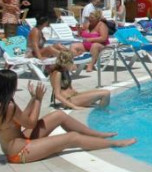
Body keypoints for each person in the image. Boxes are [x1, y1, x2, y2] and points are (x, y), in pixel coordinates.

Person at [0, 70, 135, 164]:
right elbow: (30, 124)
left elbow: (21, 118)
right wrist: (38, 100)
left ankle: (98, 135)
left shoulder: (5, 101)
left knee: (59, 115)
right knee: (72, 137)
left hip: (20, 141)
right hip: (20, 152)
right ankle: (115, 143)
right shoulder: (8, 105)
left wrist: (33, 98)